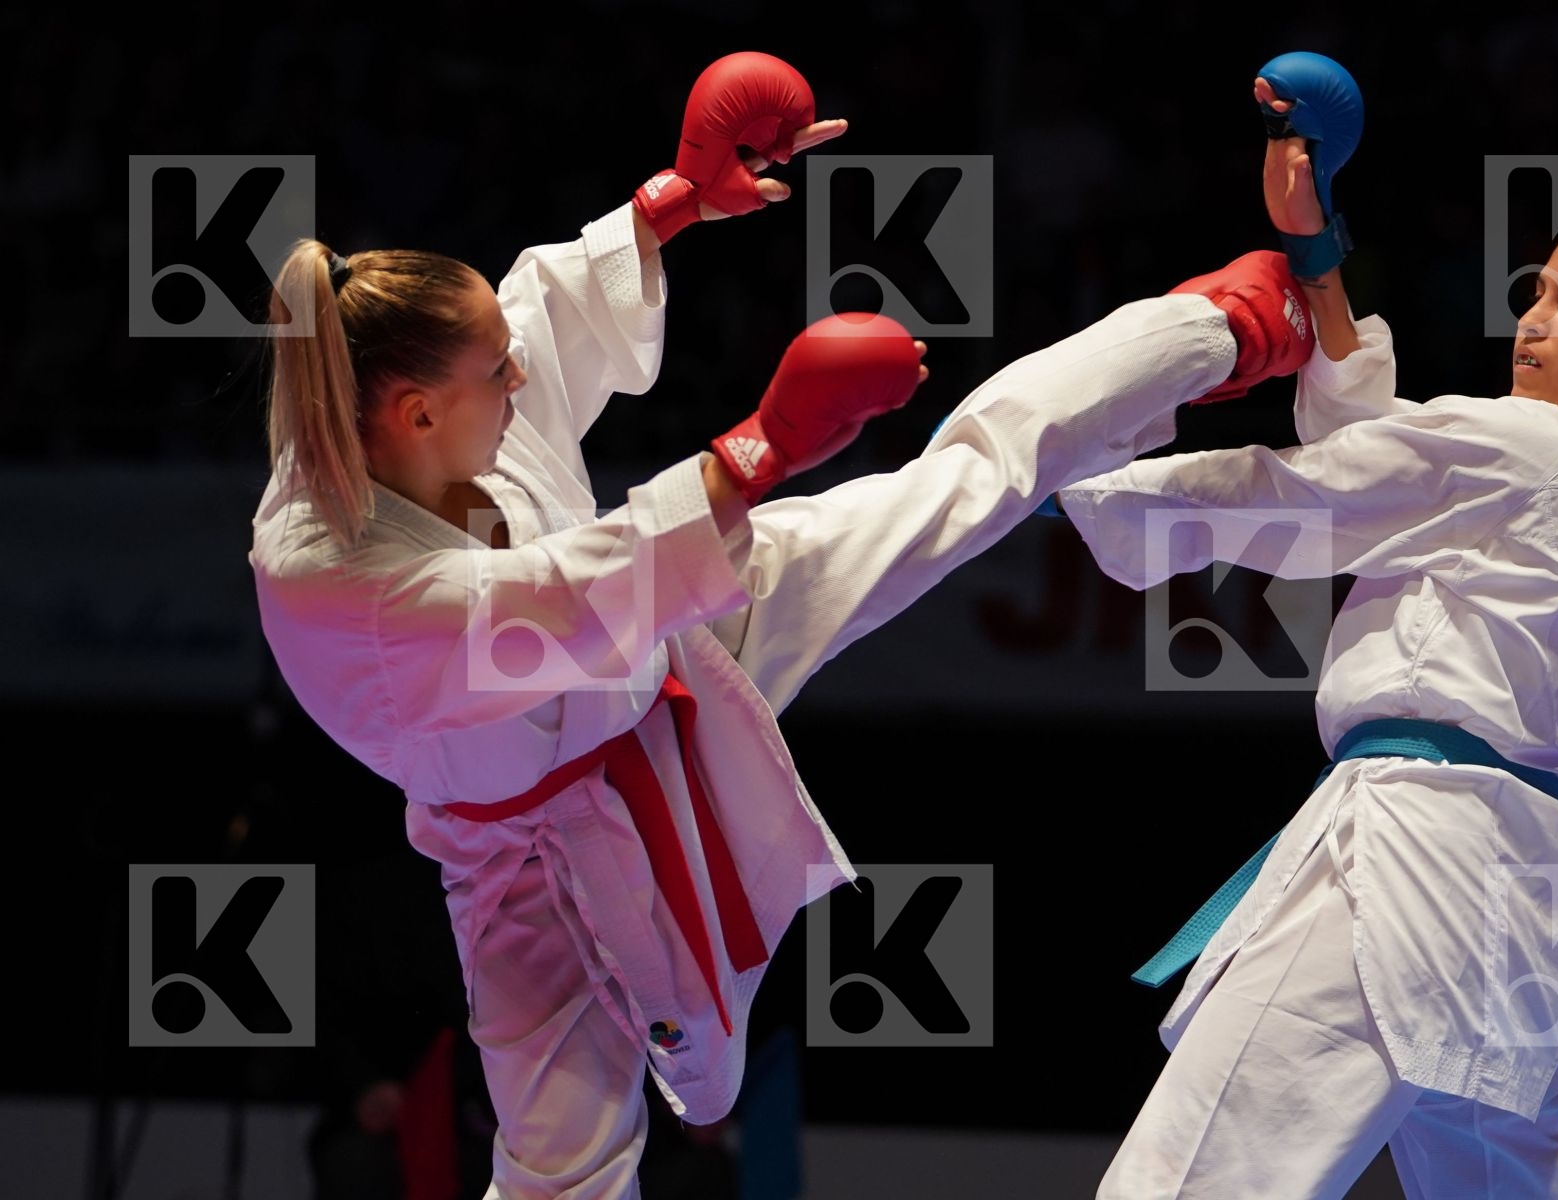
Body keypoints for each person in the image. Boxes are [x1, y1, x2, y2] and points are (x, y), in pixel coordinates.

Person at [248, 51, 1316, 1200]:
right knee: (564, 1169)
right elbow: (545, 611)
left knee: (948, 489)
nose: (519, 378)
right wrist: (759, 447)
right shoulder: (327, 579)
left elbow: (536, 309)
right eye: (495, 376)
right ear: (416, 414)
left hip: (663, 650)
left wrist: (675, 201)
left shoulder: (416, 386)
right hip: (526, 854)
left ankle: (1220, 326)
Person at [1050, 67, 1558, 1199]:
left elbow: (1315, 491)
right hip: (1518, 920)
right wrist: (1315, 250)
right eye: (1540, 289)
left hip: (1401, 874)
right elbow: (1389, 463)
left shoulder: (1537, 454)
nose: (1535, 317)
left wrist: (1057, 481)